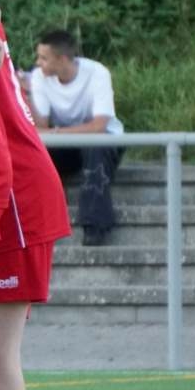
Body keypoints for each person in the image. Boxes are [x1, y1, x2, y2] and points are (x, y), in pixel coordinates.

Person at [30, 30, 125, 246]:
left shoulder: (97, 73)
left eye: (44, 58)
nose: (38, 63)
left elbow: (100, 126)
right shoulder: (39, 77)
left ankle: (95, 226)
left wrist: (55, 133)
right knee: (32, 152)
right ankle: (39, 220)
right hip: (67, 143)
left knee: (95, 149)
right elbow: (40, 126)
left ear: (62, 59)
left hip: (104, 141)